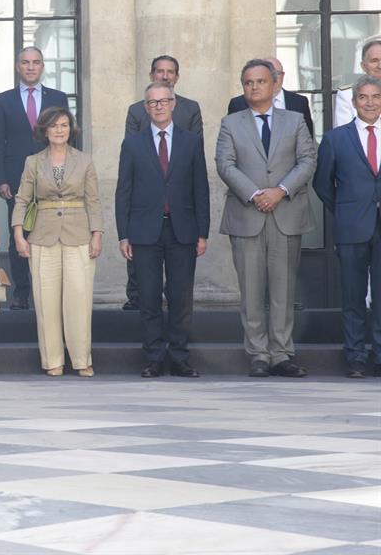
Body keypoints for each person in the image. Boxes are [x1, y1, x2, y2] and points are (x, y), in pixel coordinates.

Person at [216, 59, 317, 379]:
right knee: (251, 290)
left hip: (286, 214)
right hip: (247, 215)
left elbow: (307, 159)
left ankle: (282, 354)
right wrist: (256, 193)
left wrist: (280, 190)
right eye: (247, 82)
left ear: (274, 85)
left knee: (283, 291)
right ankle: (258, 354)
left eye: (260, 81)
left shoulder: (295, 119)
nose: (253, 87)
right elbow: (225, 164)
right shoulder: (231, 123)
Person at [116, 82, 210, 379]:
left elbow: (201, 189)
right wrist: (123, 234)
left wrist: (202, 232)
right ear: (146, 107)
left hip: (182, 230)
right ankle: (154, 357)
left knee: (181, 298)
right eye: (152, 102)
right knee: (149, 297)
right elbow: (124, 191)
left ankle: (180, 358)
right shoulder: (133, 143)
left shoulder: (191, 141)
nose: (158, 106)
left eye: (164, 101)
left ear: (173, 104)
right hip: (144, 232)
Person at [12, 107, 102, 378]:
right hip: (42, 234)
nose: (60, 130)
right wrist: (18, 233)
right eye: (54, 126)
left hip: (78, 233)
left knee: (79, 298)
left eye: (64, 125)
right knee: (46, 300)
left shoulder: (85, 161)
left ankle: (81, 359)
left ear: (70, 129)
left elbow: (94, 200)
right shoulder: (33, 162)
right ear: (45, 130)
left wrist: (97, 234)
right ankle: (53, 360)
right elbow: (22, 199)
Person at [122, 55, 204, 311]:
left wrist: (203, 231)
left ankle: (179, 346)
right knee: (147, 290)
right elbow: (129, 173)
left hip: (180, 216)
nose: (165, 75)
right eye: (160, 71)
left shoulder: (190, 111)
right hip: (147, 213)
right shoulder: (137, 111)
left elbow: (198, 179)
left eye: (170, 72)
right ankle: (136, 300)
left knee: (181, 293)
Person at [313, 75, 381, 379]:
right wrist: (343, 210)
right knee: (353, 296)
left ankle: (379, 356)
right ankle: (354, 356)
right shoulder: (335, 138)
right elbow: (322, 182)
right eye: (363, 97)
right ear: (354, 102)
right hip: (352, 226)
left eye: (376, 97)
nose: (370, 102)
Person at [0, 46, 69, 311]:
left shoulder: (58, 97)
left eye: (36, 62)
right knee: (19, 235)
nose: (31, 67)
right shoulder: (4, 100)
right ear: (18, 67)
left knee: (51, 233)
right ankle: (22, 293)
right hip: (16, 180)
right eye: (25, 62)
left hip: (54, 177)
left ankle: (50, 293)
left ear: (42, 66)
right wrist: (0, 179)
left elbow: (69, 138)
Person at [227, 57, 313, 136]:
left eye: (276, 74)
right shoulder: (238, 104)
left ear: (283, 75)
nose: (274, 78)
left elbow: (307, 139)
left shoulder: (299, 102)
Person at [334, 38, 381, 127]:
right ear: (363, 66)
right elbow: (343, 135)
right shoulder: (347, 95)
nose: (380, 66)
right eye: (374, 61)